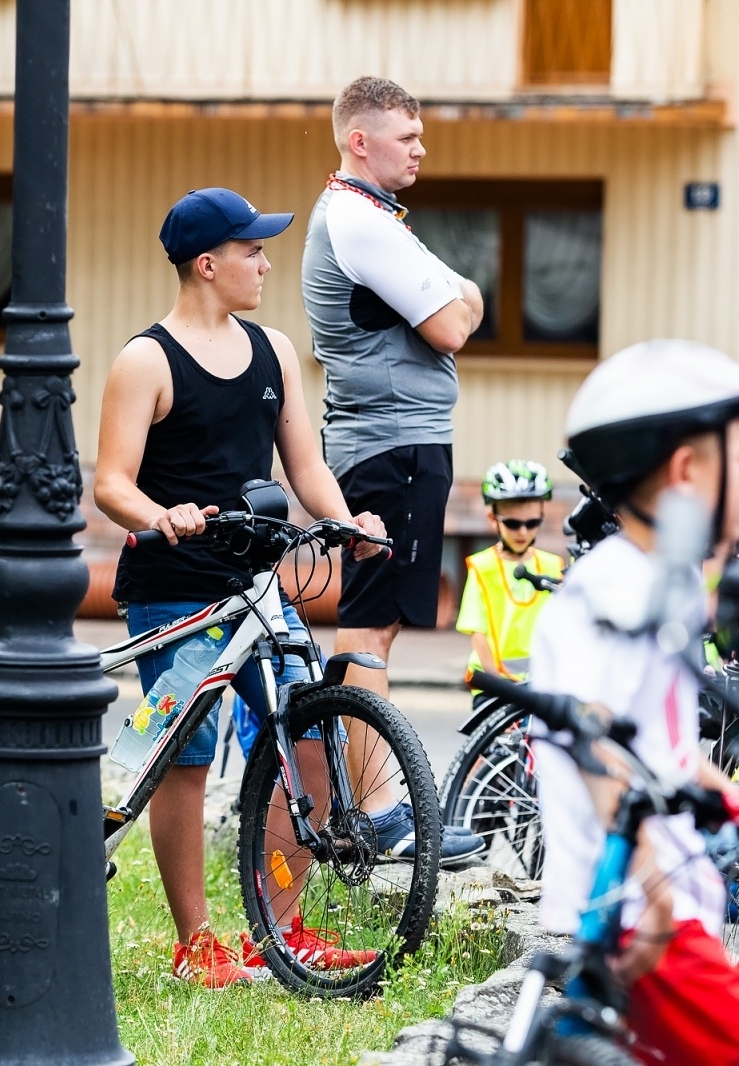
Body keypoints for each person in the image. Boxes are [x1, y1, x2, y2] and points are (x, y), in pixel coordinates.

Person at [95, 187, 478, 989]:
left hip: (257, 586)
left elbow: (306, 468)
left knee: (303, 743)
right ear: (208, 264)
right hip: (175, 585)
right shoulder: (147, 360)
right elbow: (111, 484)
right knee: (185, 758)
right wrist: (165, 516)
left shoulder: (271, 349)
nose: (268, 263)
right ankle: (196, 940)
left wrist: (348, 521)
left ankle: (282, 929)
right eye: (252, 252)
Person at [529, 340, 739, 1066]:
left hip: (665, 909)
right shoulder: (617, 590)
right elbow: (599, 747)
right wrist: (650, 886)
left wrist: (736, 802)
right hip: (650, 921)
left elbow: (659, 750)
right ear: (685, 474)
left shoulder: (659, 580)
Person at [301, 75, 484, 701]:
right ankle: (369, 801)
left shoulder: (374, 215)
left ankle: (360, 794)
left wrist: (457, 300)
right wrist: (453, 301)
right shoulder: (360, 220)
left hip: (393, 440)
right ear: (359, 141)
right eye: (406, 137)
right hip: (391, 444)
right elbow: (455, 323)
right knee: (371, 629)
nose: (419, 149)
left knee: (379, 625)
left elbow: (470, 300)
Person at [456, 460, 564, 696]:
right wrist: (497, 681)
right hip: (493, 682)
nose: (523, 532)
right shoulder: (481, 566)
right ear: (492, 519)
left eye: (532, 523)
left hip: (539, 683)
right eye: (513, 524)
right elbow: (478, 633)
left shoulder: (553, 566)